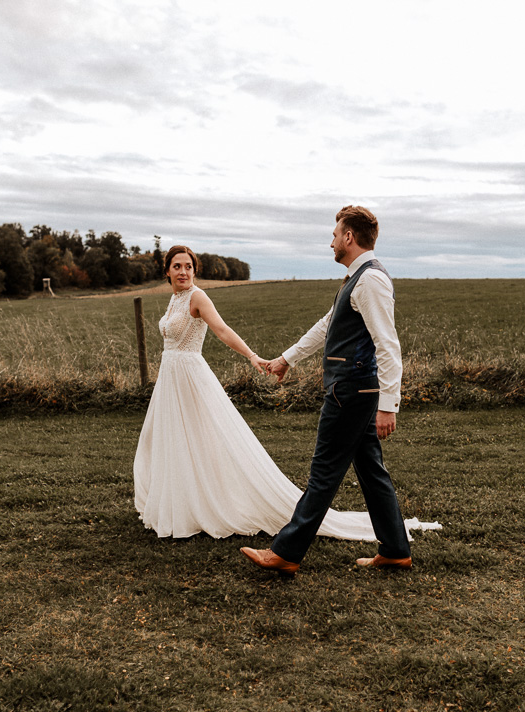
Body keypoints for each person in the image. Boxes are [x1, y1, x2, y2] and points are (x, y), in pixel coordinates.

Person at [133, 245, 434, 541]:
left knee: (207, 437)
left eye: (188, 266)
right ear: (167, 272)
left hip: (191, 376)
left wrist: (252, 355)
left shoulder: (198, 297)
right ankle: (181, 499)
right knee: (171, 437)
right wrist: (287, 358)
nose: (184, 272)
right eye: (177, 267)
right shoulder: (174, 300)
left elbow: (222, 330)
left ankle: (294, 541)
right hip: (170, 377)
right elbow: (325, 325)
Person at [241, 206, 438, 577]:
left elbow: (388, 345)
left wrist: (388, 405)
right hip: (353, 391)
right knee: (370, 469)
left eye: (335, 234)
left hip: (352, 393)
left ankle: (286, 552)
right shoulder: (356, 279)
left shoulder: (370, 281)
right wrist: (287, 359)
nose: (331, 240)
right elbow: (326, 326)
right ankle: (395, 550)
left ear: (349, 237)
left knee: (324, 472)